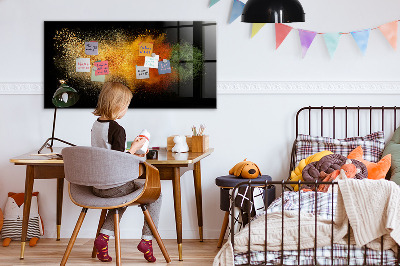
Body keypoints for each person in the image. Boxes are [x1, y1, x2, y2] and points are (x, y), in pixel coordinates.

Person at [91, 82, 161, 263]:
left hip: (97, 186)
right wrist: (136, 148)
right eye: (126, 106)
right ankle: (147, 240)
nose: (126, 110)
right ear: (118, 105)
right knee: (156, 194)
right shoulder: (117, 129)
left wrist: (130, 149)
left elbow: (108, 154)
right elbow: (119, 161)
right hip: (114, 186)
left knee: (121, 198)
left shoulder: (96, 125)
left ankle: (103, 238)